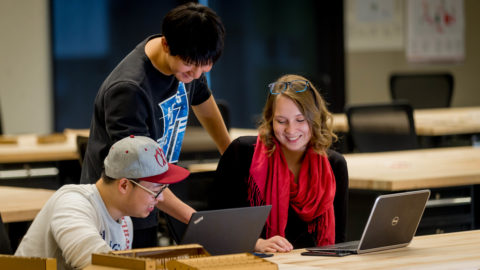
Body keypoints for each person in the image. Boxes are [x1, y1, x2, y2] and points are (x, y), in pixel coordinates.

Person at [80, 2, 231, 248]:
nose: (195, 74)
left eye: (205, 66)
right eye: (190, 65)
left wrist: (229, 151)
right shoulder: (129, 90)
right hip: (119, 209)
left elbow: (202, 98)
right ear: (166, 44)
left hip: (149, 195)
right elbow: (140, 175)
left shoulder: (189, 59)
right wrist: (202, 223)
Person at [212, 74, 348, 253]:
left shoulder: (334, 165)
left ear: (315, 119)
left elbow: (339, 242)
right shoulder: (243, 154)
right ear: (270, 119)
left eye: (300, 120)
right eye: (281, 121)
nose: (291, 130)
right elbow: (214, 228)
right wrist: (256, 243)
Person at [15, 135, 191, 270]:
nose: (160, 198)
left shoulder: (124, 222)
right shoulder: (72, 203)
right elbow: (98, 263)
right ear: (124, 185)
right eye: (155, 191)